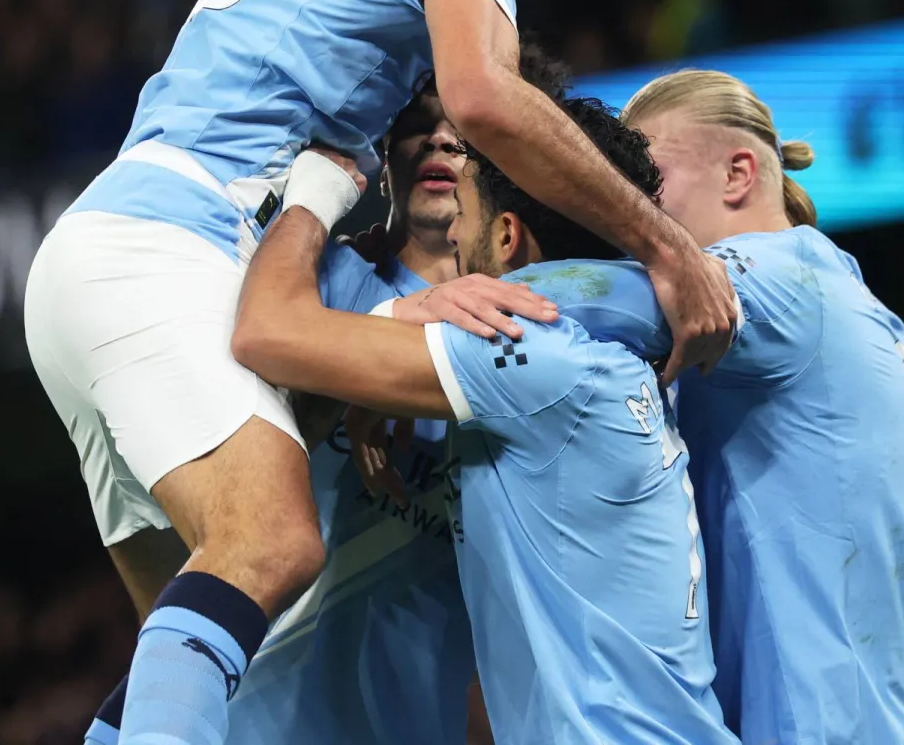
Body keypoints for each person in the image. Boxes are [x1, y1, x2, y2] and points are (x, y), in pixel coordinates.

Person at [24, 0, 737, 745]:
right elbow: (484, 96)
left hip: (116, 253)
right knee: (272, 540)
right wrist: (669, 246)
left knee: (218, 655)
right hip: (174, 246)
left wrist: (375, 355)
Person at [84, 51, 571, 745]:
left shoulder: (536, 328)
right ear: (384, 151)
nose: (440, 139)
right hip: (228, 720)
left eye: (463, 126)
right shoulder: (307, 285)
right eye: (418, 122)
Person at [230, 96, 737, 745]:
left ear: (506, 237)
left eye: (464, 218)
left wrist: (311, 198)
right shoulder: (614, 351)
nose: (454, 242)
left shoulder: (529, 352)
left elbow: (264, 332)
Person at [618, 70, 904, 744]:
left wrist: (424, 304)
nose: (624, 213)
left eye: (645, 183)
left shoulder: (778, 277)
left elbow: (590, 305)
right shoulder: (844, 297)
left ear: (737, 174)